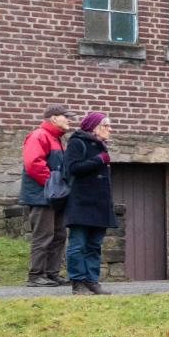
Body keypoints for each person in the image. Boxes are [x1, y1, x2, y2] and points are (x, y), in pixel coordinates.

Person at [19, 103, 71, 287]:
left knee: (59, 235)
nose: (69, 120)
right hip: (42, 196)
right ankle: (36, 275)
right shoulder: (39, 135)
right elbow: (33, 164)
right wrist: (53, 184)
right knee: (43, 235)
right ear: (54, 118)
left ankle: (51, 273)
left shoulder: (56, 139)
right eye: (65, 116)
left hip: (55, 196)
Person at [62, 111, 114, 295]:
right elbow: (73, 168)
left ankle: (92, 281)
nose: (110, 129)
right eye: (106, 125)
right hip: (81, 202)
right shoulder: (77, 142)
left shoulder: (102, 146)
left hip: (99, 203)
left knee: (94, 245)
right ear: (94, 127)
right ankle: (78, 282)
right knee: (77, 245)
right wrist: (98, 160)